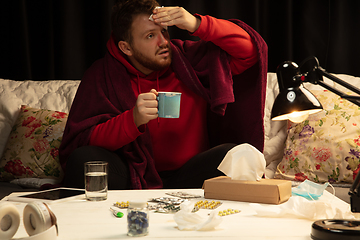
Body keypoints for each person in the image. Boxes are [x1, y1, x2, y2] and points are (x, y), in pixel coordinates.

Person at [59, 0, 268, 190]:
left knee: (237, 155)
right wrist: (132, 120)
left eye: (164, 32)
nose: (163, 42)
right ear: (126, 47)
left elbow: (250, 51)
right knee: (83, 159)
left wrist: (196, 24)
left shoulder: (189, 59)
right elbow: (84, 140)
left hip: (192, 174)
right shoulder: (102, 74)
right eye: (150, 36)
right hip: (133, 175)